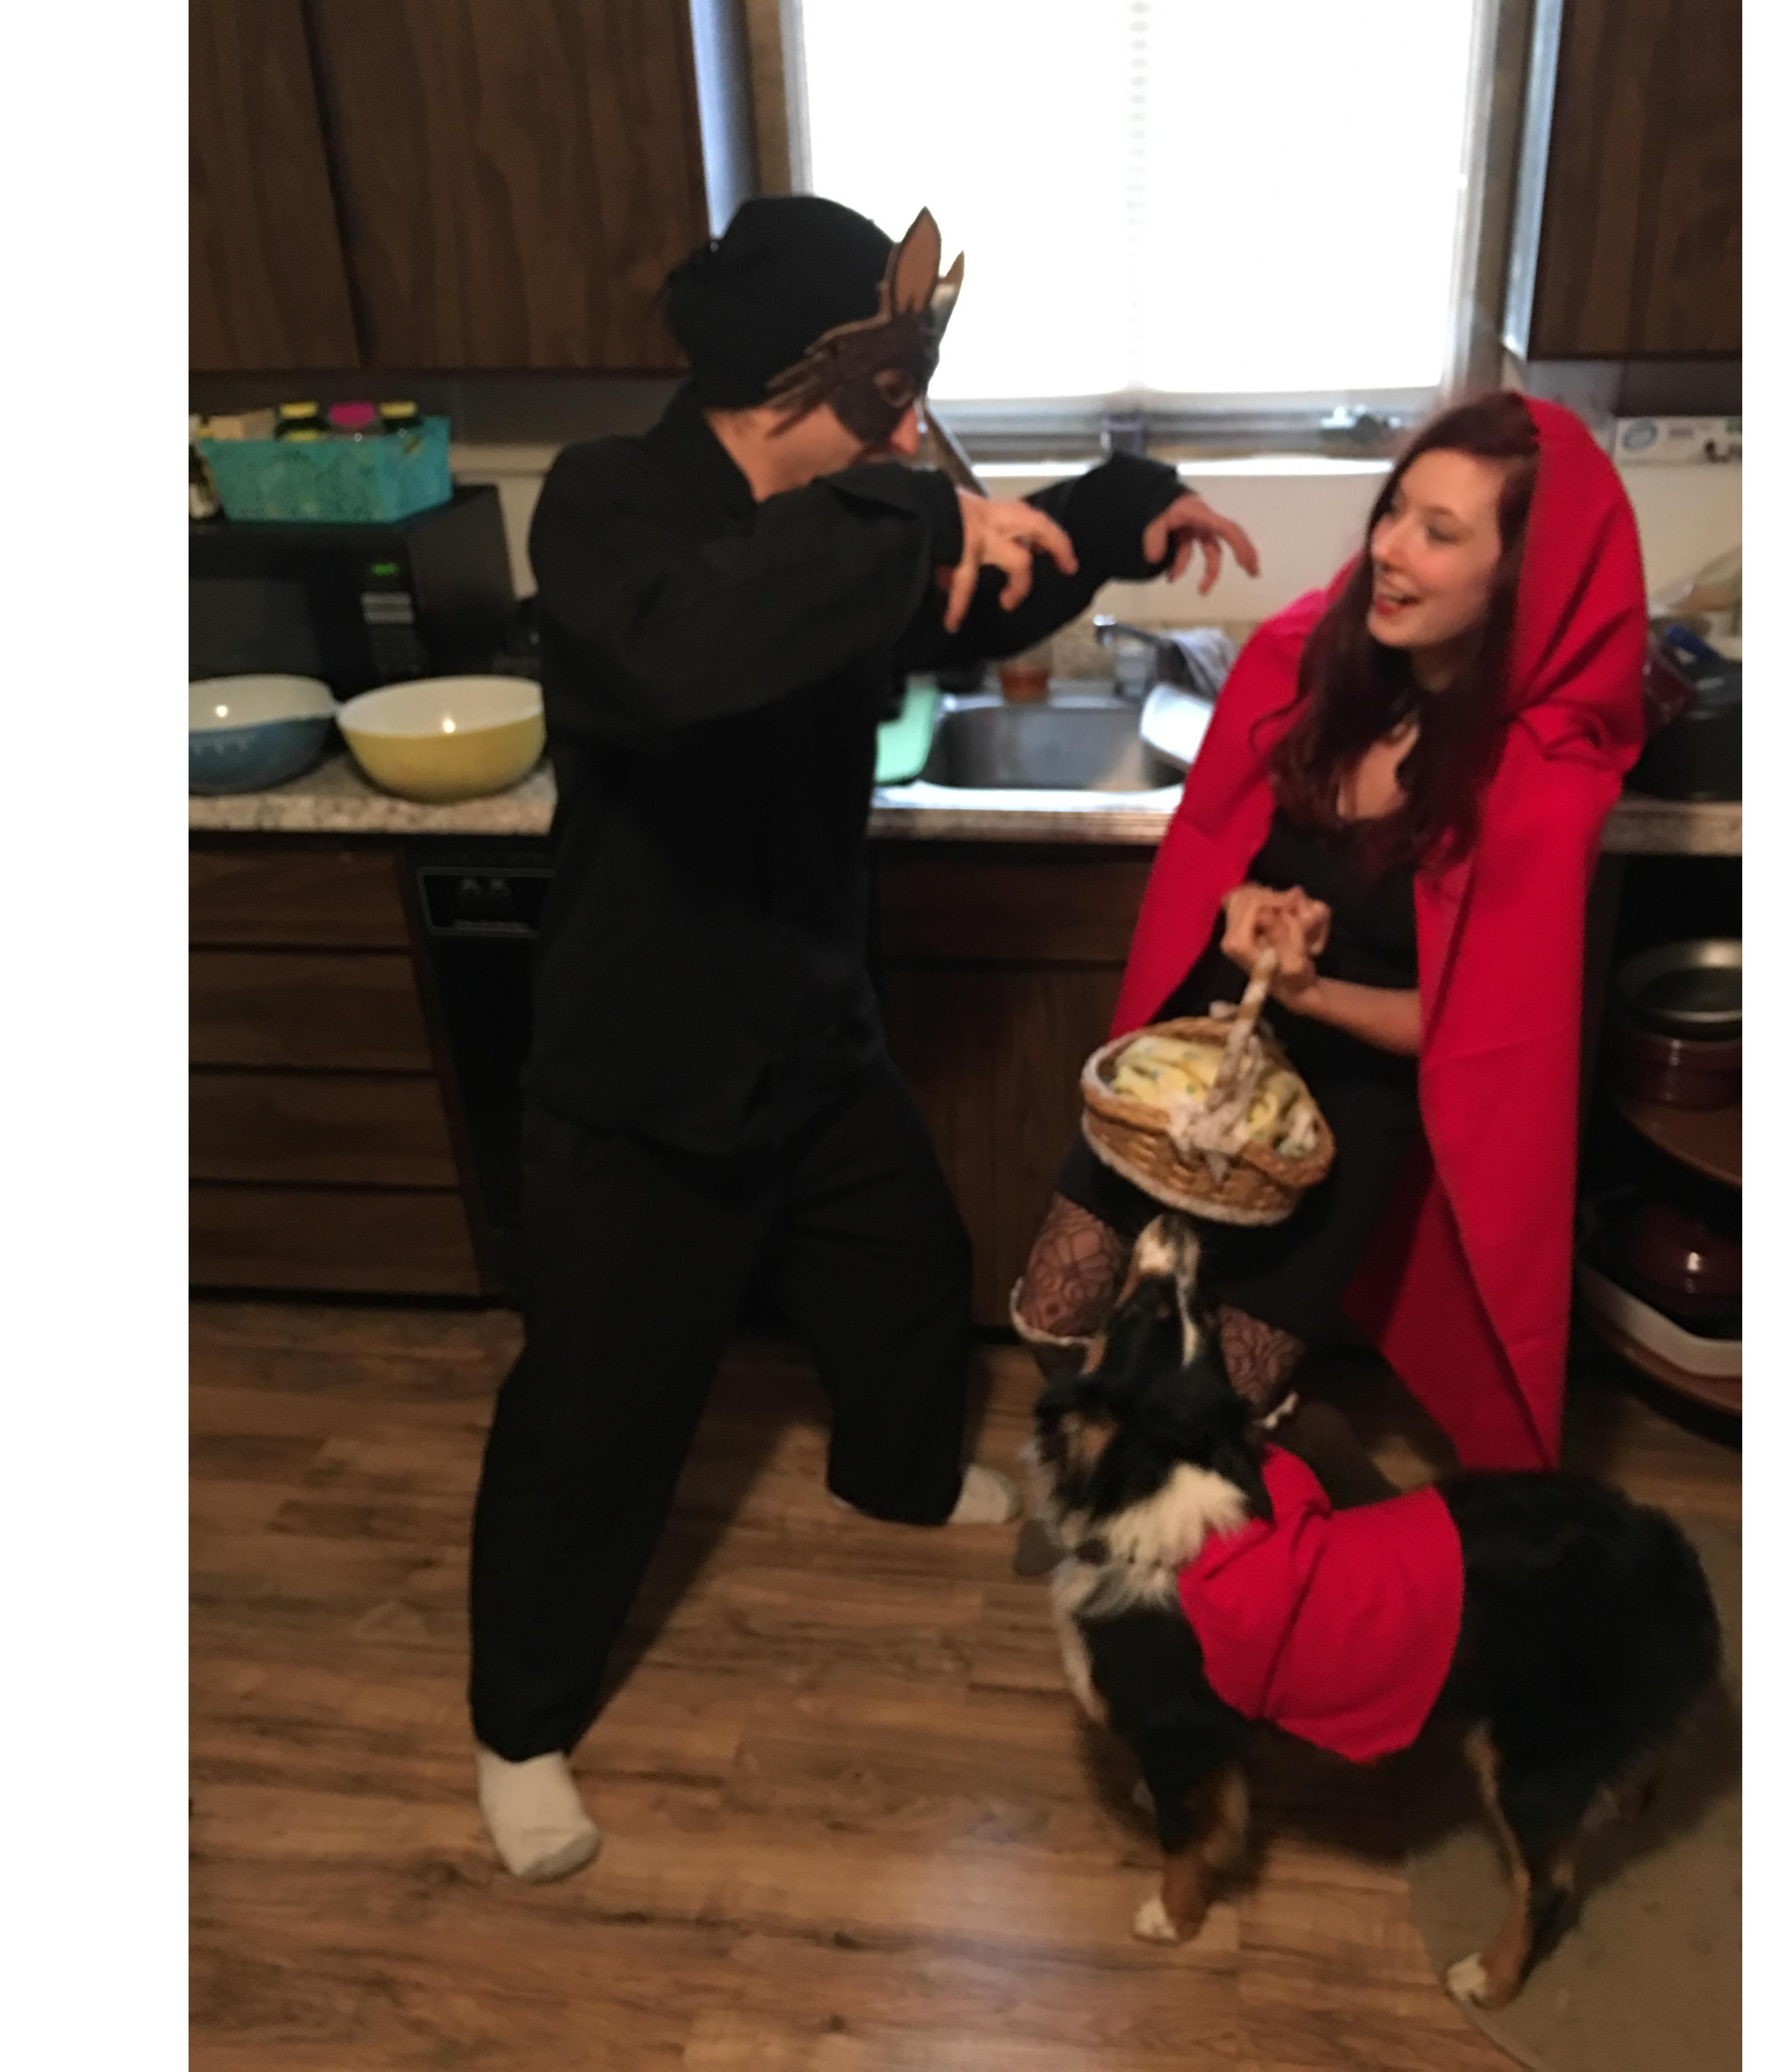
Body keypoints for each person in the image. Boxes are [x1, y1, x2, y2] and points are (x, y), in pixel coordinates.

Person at [468, 195, 1259, 1881]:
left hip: (811, 1026)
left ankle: (895, 1479)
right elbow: (679, 657)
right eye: (892, 396)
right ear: (789, 383)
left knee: (907, 1267)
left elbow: (978, 590)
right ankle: (520, 1723)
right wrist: (910, 515)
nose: (914, 432)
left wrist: (1117, 508)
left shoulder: (858, 521)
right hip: (641, 1065)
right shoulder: (613, 504)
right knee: (593, 1413)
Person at [1012, 391, 1646, 1541]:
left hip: (1349, 1109)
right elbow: (1219, 851)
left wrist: (1310, 989)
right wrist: (1245, 911)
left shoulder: (1540, 777)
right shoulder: (1315, 660)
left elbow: (1470, 1029)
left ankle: (1270, 1510)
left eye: (1439, 533)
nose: (1389, 549)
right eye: (1394, 510)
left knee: (1223, 1404)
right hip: (1202, 1055)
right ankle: (1112, 1493)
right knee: (1058, 1304)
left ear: (1520, 577)